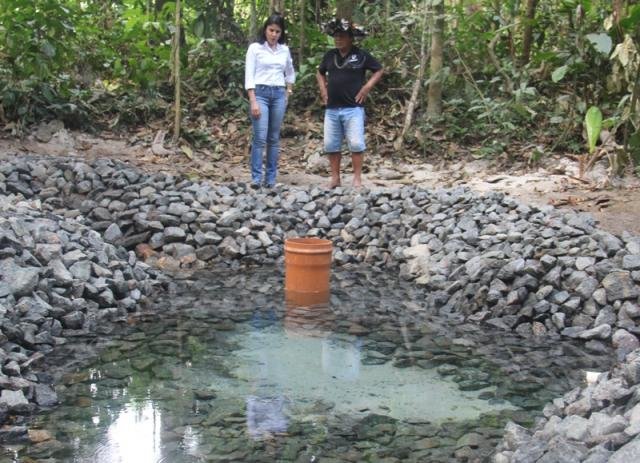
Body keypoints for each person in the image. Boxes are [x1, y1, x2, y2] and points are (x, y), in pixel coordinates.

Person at [316, 18, 384, 188]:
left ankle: (357, 179)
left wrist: (367, 87)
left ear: (350, 38)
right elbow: (319, 73)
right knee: (331, 145)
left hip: (353, 108)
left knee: (356, 144)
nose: (338, 39)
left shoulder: (361, 55)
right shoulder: (330, 55)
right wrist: (323, 90)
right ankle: (335, 179)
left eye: (342, 36)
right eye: (336, 36)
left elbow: (379, 69)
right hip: (332, 109)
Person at [244, 14, 295, 188]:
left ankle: (271, 178)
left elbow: (290, 72)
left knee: (273, 138)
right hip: (260, 93)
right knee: (260, 136)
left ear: (281, 33)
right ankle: (256, 177)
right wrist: (253, 100)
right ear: (265, 29)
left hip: (279, 94)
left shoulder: (284, 50)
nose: (273, 34)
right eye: (271, 30)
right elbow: (249, 75)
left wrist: (288, 91)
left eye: (277, 31)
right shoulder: (255, 48)